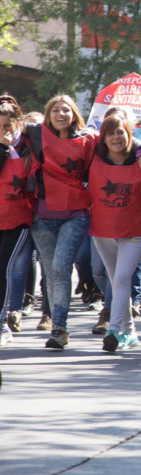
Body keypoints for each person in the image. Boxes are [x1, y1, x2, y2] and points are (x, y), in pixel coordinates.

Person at [26, 95, 141, 349]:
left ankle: (93, 330)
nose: (61, 114)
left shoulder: (92, 141)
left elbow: (127, 138)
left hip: (87, 217)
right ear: (48, 114)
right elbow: (12, 130)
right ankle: (127, 331)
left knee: (73, 271)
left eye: (66, 109)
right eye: (55, 110)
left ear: (74, 114)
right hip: (54, 217)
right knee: (62, 273)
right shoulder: (37, 136)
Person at [88, 113, 141, 352]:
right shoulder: (93, 158)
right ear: (103, 137)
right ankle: (130, 332)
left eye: (120, 132)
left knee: (123, 279)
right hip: (103, 233)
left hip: (134, 233)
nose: (116, 137)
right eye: (111, 133)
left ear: (129, 134)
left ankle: (114, 330)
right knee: (117, 283)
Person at [0, 95, 33, 347]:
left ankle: (2, 323)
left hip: (17, 220)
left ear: (17, 123)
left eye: (6, 126)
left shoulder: (29, 146)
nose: (3, 131)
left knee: (4, 268)